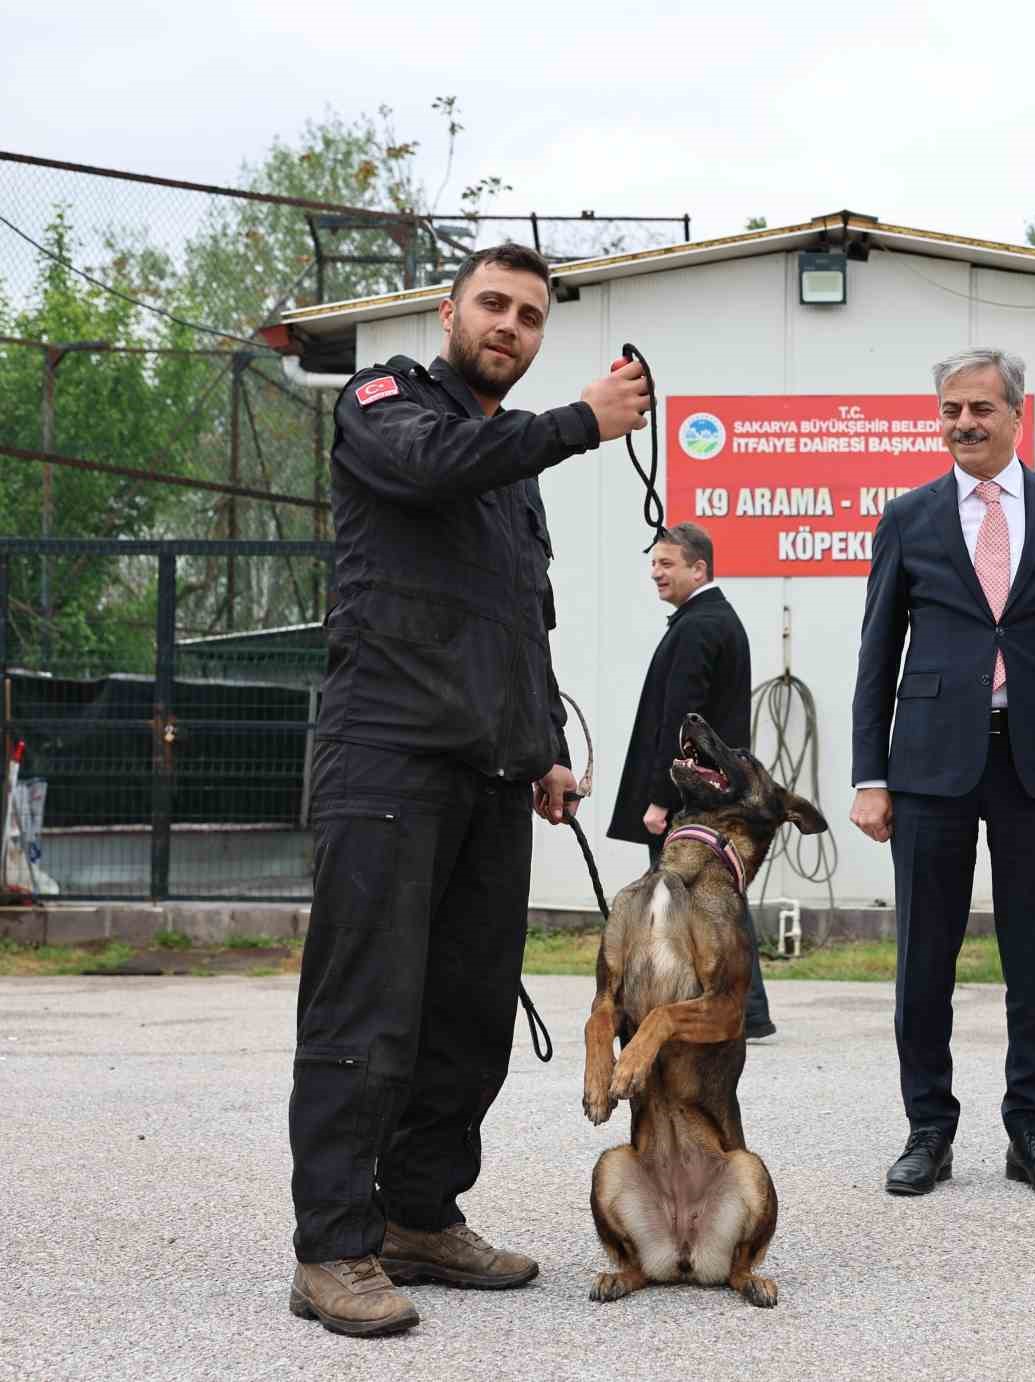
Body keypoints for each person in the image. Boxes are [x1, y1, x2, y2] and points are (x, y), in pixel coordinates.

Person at [288, 242, 651, 1338]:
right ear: (450, 314)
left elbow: (518, 620)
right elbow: (432, 466)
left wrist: (544, 748)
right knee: (367, 1010)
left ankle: (419, 1215)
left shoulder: (509, 469)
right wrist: (581, 421)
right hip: (387, 757)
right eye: (494, 304)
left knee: (469, 1014)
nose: (510, 326)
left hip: (491, 774)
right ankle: (332, 1247)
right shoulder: (386, 403)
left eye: (531, 315)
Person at [849, 348, 1035, 1200]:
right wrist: (869, 775)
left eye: (979, 409)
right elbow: (877, 651)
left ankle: (1031, 1132)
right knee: (924, 958)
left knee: (1033, 959)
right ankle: (927, 1130)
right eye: (950, 410)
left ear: (1016, 414)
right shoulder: (910, 517)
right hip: (930, 764)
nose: (963, 423)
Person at [607, 522, 774, 1039]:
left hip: (689, 799)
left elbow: (682, 720)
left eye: (667, 564)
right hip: (705, 796)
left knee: (697, 899)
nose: (655, 573)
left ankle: (737, 1009)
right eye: (653, 564)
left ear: (698, 569)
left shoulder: (700, 626)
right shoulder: (709, 619)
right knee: (711, 897)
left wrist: (662, 799)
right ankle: (746, 1008)